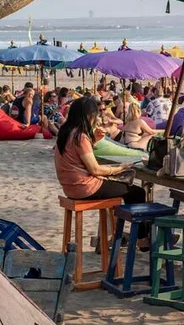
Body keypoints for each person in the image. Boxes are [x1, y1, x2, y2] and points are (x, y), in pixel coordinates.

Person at [53, 97, 146, 242]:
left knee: (126, 188)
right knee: (137, 192)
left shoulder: (65, 133)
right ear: (89, 116)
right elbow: (95, 170)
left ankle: (128, 235)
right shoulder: (80, 136)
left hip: (70, 187)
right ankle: (142, 238)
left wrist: (94, 140)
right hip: (84, 188)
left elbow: (77, 158)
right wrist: (118, 168)